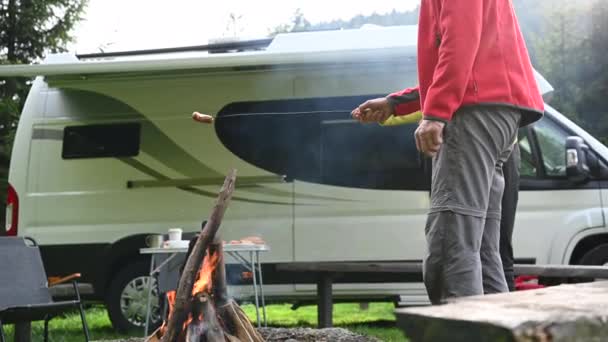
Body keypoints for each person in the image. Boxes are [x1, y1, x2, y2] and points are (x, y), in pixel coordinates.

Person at [352, 0, 543, 304]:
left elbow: (460, 43)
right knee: (480, 250)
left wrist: (436, 114)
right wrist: (396, 103)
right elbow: (473, 58)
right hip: (499, 114)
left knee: (451, 248)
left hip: (474, 116)